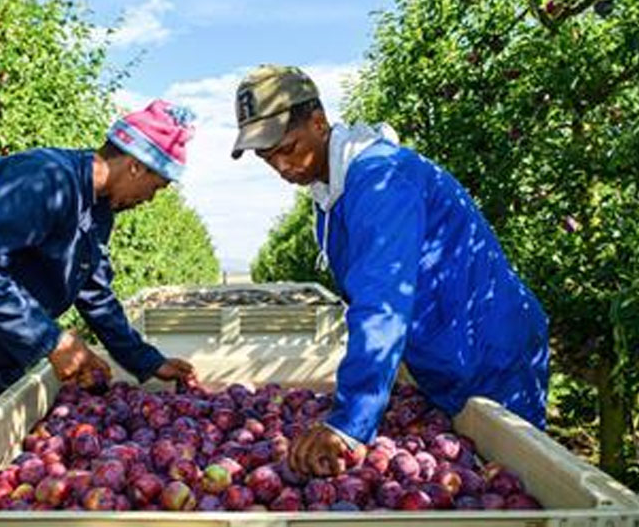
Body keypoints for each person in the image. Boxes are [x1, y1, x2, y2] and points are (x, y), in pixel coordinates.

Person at [230, 65, 549, 477]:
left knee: (510, 480)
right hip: (444, 354)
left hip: (490, 353)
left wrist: (350, 421)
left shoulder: (381, 180)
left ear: (318, 122)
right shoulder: (331, 193)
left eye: (287, 148)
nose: (281, 167)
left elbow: (382, 299)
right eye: (266, 157)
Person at [0, 100, 199, 474]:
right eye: (155, 187)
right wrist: (52, 340)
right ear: (136, 166)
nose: (149, 200)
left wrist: (146, 360)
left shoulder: (99, 210)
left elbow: (94, 292)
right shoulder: (44, 179)